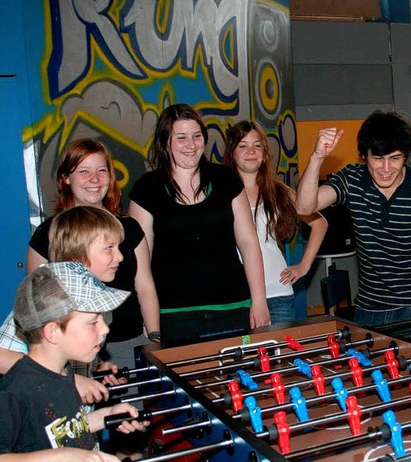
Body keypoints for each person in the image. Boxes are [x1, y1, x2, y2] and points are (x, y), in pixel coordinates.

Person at [295, 110, 411, 328]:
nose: (385, 168)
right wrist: (317, 156)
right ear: (364, 156)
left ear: (406, 156)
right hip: (369, 306)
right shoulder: (351, 179)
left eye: (394, 158)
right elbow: (304, 206)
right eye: (378, 158)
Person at [129, 104, 269, 343]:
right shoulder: (146, 188)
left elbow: (248, 242)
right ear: (165, 142)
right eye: (181, 137)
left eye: (196, 136)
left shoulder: (225, 179)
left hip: (234, 307)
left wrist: (259, 301)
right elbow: (140, 263)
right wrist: (150, 322)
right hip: (174, 314)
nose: (191, 144)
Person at [24, 138, 160, 371]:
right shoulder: (48, 234)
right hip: (73, 354)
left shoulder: (130, 228)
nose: (94, 179)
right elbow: (38, 305)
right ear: (66, 179)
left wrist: (155, 338)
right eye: (84, 171)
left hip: (128, 344)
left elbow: (145, 287)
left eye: (101, 170)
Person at [0, 262, 148, 461]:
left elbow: (65, 429)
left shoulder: (63, 372)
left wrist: (107, 415)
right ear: (53, 332)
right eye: (93, 322)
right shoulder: (15, 390)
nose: (105, 329)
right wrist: (66, 456)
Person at [224, 120, 328, 323]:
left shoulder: (278, 191)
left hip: (278, 293)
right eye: (243, 145)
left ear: (264, 152)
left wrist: (304, 265)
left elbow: (320, 223)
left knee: (283, 354)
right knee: (247, 354)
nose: (251, 151)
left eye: (257, 145)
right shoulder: (221, 193)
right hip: (239, 297)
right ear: (232, 152)